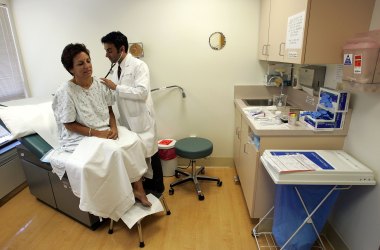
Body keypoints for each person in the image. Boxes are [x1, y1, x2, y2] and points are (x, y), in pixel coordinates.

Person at [52, 43, 151, 207]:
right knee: (115, 151)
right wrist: (98, 134)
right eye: (80, 63)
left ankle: (138, 188)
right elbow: (69, 125)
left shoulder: (99, 84)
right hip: (81, 136)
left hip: (105, 129)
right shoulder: (65, 91)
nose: (87, 66)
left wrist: (113, 128)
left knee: (133, 141)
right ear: (71, 69)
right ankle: (121, 196)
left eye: (88, 61)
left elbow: (109, 111)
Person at [100, 31, 163, 192]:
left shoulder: (139, 66)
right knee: (138, 156)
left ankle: (158, 189)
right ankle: (143, 189)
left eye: (109, 50)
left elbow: (142, 92)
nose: (106, 54)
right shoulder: (117, 69)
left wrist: (116, 87)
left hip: (142, 120)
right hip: (128, 121)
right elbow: (118, 94)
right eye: (106, 50)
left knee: (151, 154)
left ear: (121, 49)